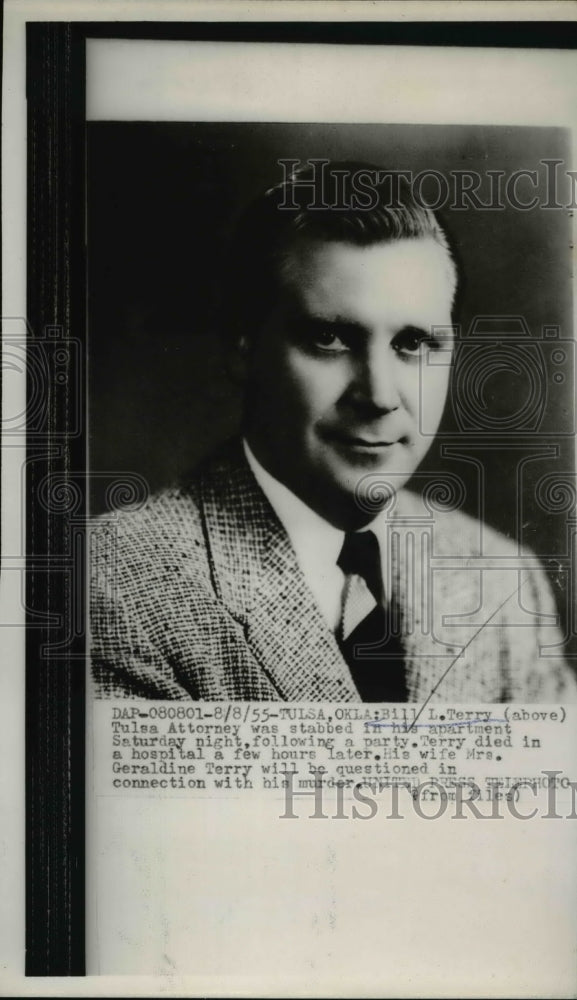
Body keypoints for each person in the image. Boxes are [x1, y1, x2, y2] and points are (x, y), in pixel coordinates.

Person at [90, 161, 576, 702]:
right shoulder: (111, 586)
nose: (380, 396)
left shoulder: (501, 579)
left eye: (413, 344)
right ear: (242, 348)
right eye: (330, 339)